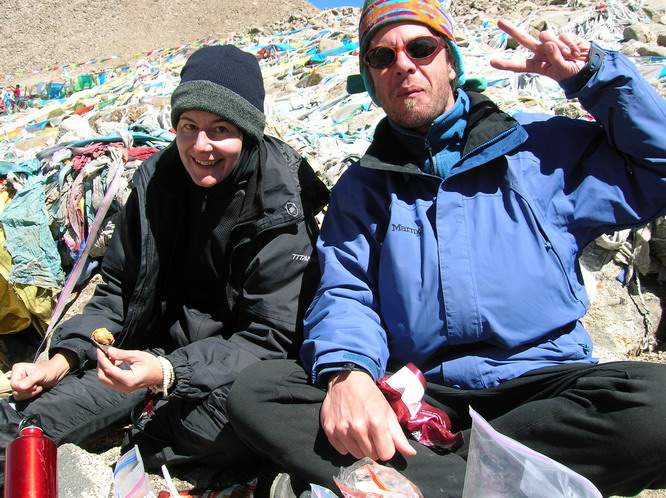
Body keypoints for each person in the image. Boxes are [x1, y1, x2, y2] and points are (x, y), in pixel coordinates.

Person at [226, 1, 666, 496]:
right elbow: (345, 292)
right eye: (381, 57)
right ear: (370, 80)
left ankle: (438, 475)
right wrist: (349, 374)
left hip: (544, 384)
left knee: (658, 406)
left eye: (420, 47)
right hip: (421, 394)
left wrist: (594, 77)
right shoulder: (363, 187)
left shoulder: (537, 149)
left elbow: (657, 168)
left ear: (450, 60)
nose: (403, 65)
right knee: (260, 393)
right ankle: (499, 477)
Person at [0, 44, 328, 481]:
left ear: (248, 132)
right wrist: (61, 358)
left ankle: (149, 433)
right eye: (188, 126)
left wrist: (169, 374)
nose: (201, 146)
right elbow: (119, 286)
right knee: (26, 428)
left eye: (220, 129)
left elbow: (270, 334)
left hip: (235, 368)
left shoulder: (281, 207)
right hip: (149, 350)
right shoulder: (158, 179)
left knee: (229, 427)